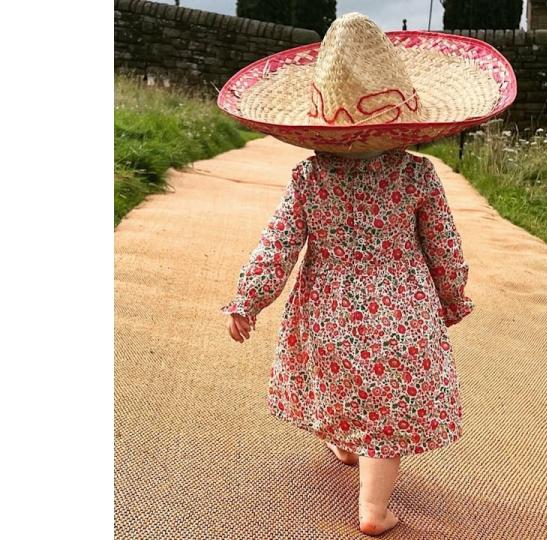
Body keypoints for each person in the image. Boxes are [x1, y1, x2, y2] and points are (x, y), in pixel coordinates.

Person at [217, 12, 515, 536]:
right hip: (402, 312)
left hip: (327, 312)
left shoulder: (309, 178)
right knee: (389, 414)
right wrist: (451, 298)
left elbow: (278, 245)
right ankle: (373, 509)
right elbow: (445, 247)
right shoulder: (418, 175)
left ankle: (345, 440)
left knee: (342, 382)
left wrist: (248, 299)